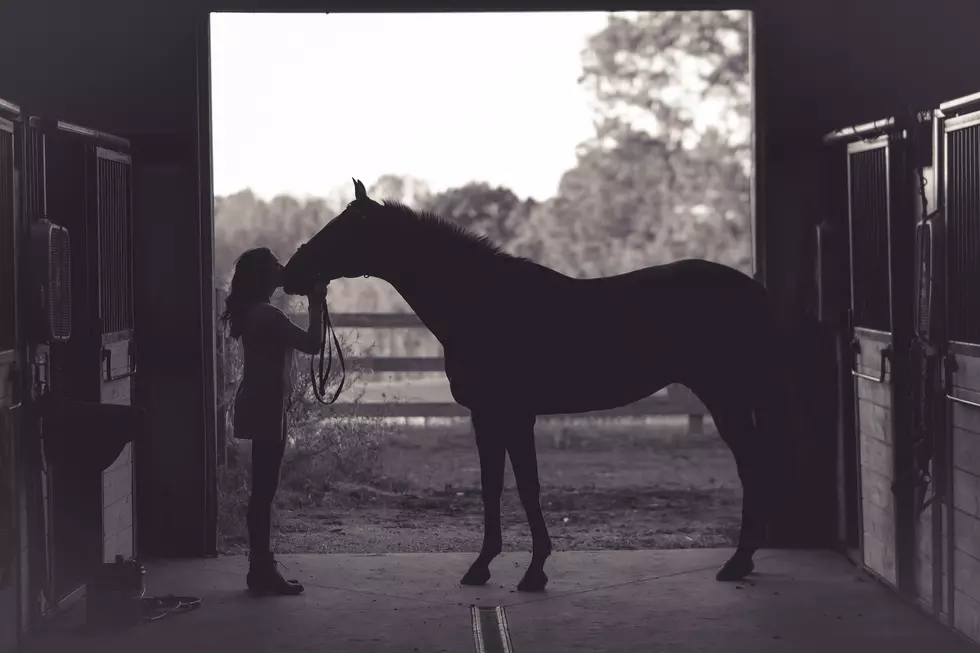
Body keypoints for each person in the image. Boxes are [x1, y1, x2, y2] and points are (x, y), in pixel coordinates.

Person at [219, 246, 326, 595]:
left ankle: (260, 568)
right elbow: (313, 343)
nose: (283, 271)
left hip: (262, 402)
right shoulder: (267, 315)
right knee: (264, 491)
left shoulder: (256, 312)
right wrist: (316, 301)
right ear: (265, 276)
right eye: (277, 266)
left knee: (262, 490)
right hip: (266, 405)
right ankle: (261, 570)